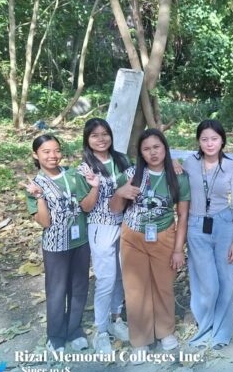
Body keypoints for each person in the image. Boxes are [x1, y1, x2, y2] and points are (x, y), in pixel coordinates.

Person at [109, 129, 190, 357]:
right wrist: (120, 193)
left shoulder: (179, 175)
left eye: (157, 147)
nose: (153, 153)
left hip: (164, 235)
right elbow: (114, 209)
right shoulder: (131, 174)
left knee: (163, 285)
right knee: (136, 289)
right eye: (146, 149)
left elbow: (183, 215)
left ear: (165, 148)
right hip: (133, 236)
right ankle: (140, 339)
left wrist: (178, 249)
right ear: (141, 153)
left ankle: (165, 331)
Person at [23, 135, 97, 354]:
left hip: (80, 241)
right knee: (57, 290)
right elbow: (44, 222)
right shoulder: (35, 185)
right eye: (46, 151)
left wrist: (94, 186)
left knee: (79, 287)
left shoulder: (73, 174)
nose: (53, 156)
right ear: (35, 155)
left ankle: (74, 331)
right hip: (56, 245)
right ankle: (55, 336)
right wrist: (40, 197)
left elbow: (86, 206)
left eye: (56, 150)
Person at [184, 120, 233, 350]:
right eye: (205, 139)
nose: (210, 143)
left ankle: (221, 333)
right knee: (207, 284)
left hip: (224, 225)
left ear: (222, 140)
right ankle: (204, 328)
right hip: (196, 225)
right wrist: (175, 166)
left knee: (226, 281)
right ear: (198, 141)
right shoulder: (189, 163)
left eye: (214, 139)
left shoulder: (232, 167)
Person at [76, 118, 132, 353]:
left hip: (125, 224)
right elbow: (86, 206)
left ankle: (117, 319)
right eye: (95, 135)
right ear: (87, 139)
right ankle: (101, 330)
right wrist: (95, 186)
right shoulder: (85, 168)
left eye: (104, 134)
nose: (101, 139)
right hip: (101, 226)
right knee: (106, 279)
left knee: (120, 276)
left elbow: (138, 181)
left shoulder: (122, 159)